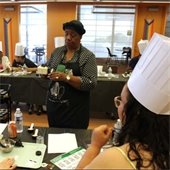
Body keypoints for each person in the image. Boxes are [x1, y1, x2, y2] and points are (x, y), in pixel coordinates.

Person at [76, 33, 170, 169]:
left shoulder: (117, 158)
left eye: (121, 101)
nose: (118, 107)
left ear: (136, 112)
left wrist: (94, 147)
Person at [47, 20, 97, 129]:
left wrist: (66, 78)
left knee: (76, 140)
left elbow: (91, 83)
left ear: (80, 37)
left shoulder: (87, 56)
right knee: (54, 136)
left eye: (73, 35)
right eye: (66, 34)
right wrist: (45, 73)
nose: (68, 38)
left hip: (75, 110)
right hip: (54, 107)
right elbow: (48, 68)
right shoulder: (57, 52)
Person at [12, 43, 42, 115]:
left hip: (28, 81)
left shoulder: (28, 61)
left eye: (16, 57)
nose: (15, 58)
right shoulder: (15, 61)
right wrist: (18, 68)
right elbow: (12, 68)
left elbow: (37, 68)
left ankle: (33, 104)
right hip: (18, 80)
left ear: (20, 57)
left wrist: (27, 69)